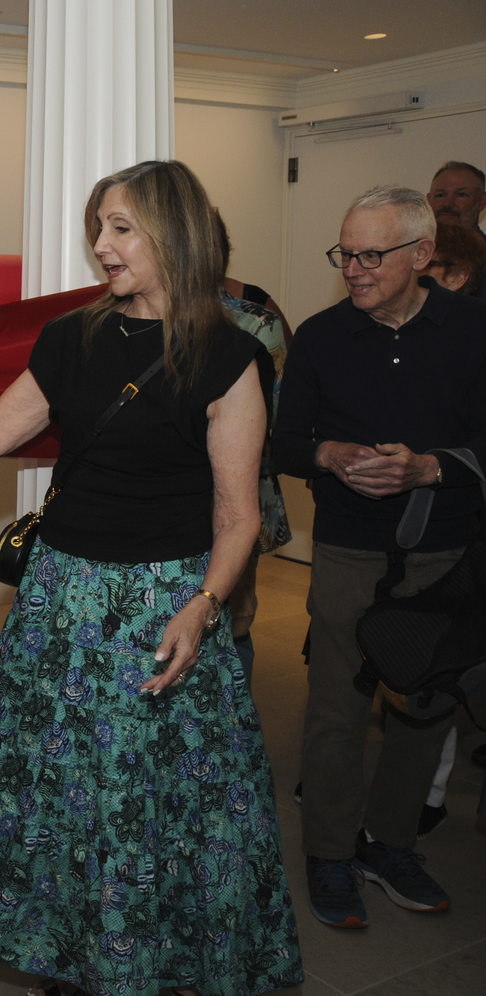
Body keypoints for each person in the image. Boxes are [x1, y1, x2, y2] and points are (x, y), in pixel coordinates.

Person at [0, 160, 302, 996]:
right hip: (63, 596)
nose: (101, 245)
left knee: (143, 793)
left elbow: (239, 517)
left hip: (163, 603)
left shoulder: (231, 358)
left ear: (173, 235)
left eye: (121, 228)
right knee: (56, 785)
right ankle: (67, 951)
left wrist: (205, 605)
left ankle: (149, 950)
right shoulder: (72, 338)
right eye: (98, 226)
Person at [272, 184, 486, 931]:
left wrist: (430, 468)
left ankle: (389, 844)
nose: (353, 269)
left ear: (423, 255)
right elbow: (283, 439)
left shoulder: (474, 329)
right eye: (345, 253)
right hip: (348, 550)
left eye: (370, 255)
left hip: (443, 555)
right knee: (336, 708)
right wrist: (327, 452)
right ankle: (329, 854)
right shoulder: (324, 338)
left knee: (423, 710)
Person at [213, 210, 290, 676]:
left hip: (235, 494)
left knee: (232, 620)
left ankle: (233, 736)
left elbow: (281, 418)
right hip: (155, 508)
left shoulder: (255, 323)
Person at [426, 160, 485, 299]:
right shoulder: (408, 254)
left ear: (481, 201)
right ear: (428, 201)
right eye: (440, 195)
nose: (447, 203)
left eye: (461, 195)